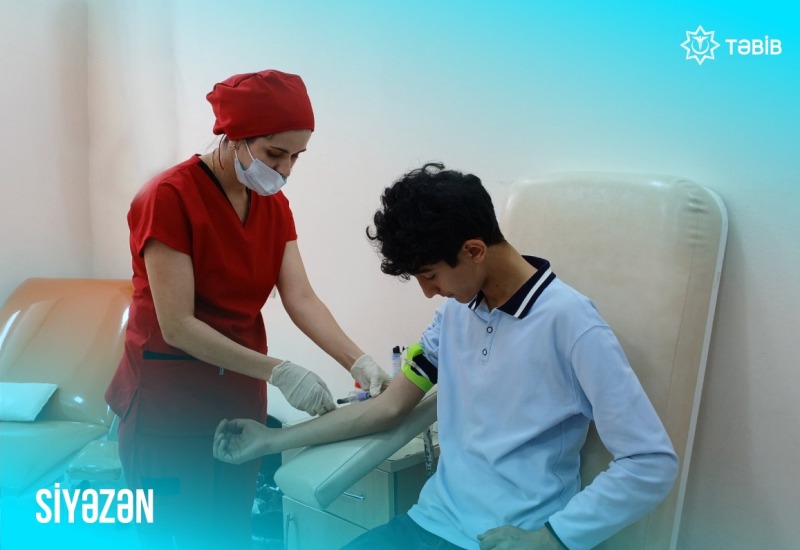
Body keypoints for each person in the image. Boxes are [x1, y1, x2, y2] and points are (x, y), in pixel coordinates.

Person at [213, 162, 679, 550]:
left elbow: (650, 461)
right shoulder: (454, 316)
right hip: (430, 522)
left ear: (474, 250)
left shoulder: (572, 325)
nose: (428, 292)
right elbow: (387, 407)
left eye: (430, 276)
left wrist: (552, 538)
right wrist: (271, 441)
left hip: (506, 537)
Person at [104, 69, 391, 550]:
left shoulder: (272, 206)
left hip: (238, 394)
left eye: (296, 157)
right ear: (234, 138)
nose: (285, 170)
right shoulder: (169, 198)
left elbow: (301, 298)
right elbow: (178, 325)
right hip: (169, 402)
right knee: (174, 536)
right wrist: (280, 371)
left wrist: (357, 361)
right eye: (275, 154)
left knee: (230, 531)